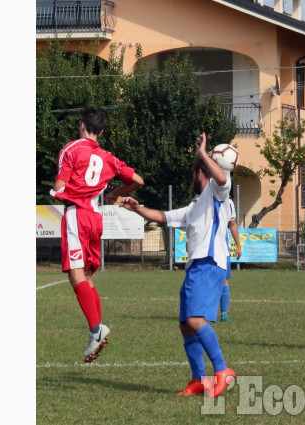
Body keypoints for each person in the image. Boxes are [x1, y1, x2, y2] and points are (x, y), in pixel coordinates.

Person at [120, 132, 236, 398]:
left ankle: (222, 370)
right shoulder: (195, 206)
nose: (191, 179)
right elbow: (162, 216)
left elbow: (220, 177)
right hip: (195, 267)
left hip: (209, 264)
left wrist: (203, 154)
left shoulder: (217, 191)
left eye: (193, 174)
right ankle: (199, 380)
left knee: (195, 320)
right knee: (186, 323)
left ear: (201, 173)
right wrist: (137, 208)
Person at [50, 107, 144, 363]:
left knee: (75, 273)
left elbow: (60, 186)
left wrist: (59, 189)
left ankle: (96, 329)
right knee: (88, 275)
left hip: (77, 215)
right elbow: (138, 180)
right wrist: (114, 194)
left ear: (82, 126)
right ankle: (96, 333)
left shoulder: (70, 149)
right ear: (100, 132)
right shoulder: (107, 156)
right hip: (95, 217)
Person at [220, 196, 242, 322]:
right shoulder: (202, 200)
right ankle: (202, 312)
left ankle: (224, 314)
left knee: (224, 280)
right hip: (205, 248)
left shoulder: (228, 203)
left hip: (223, 249)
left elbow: (232, 224)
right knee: (204, 280)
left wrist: (238, 245)